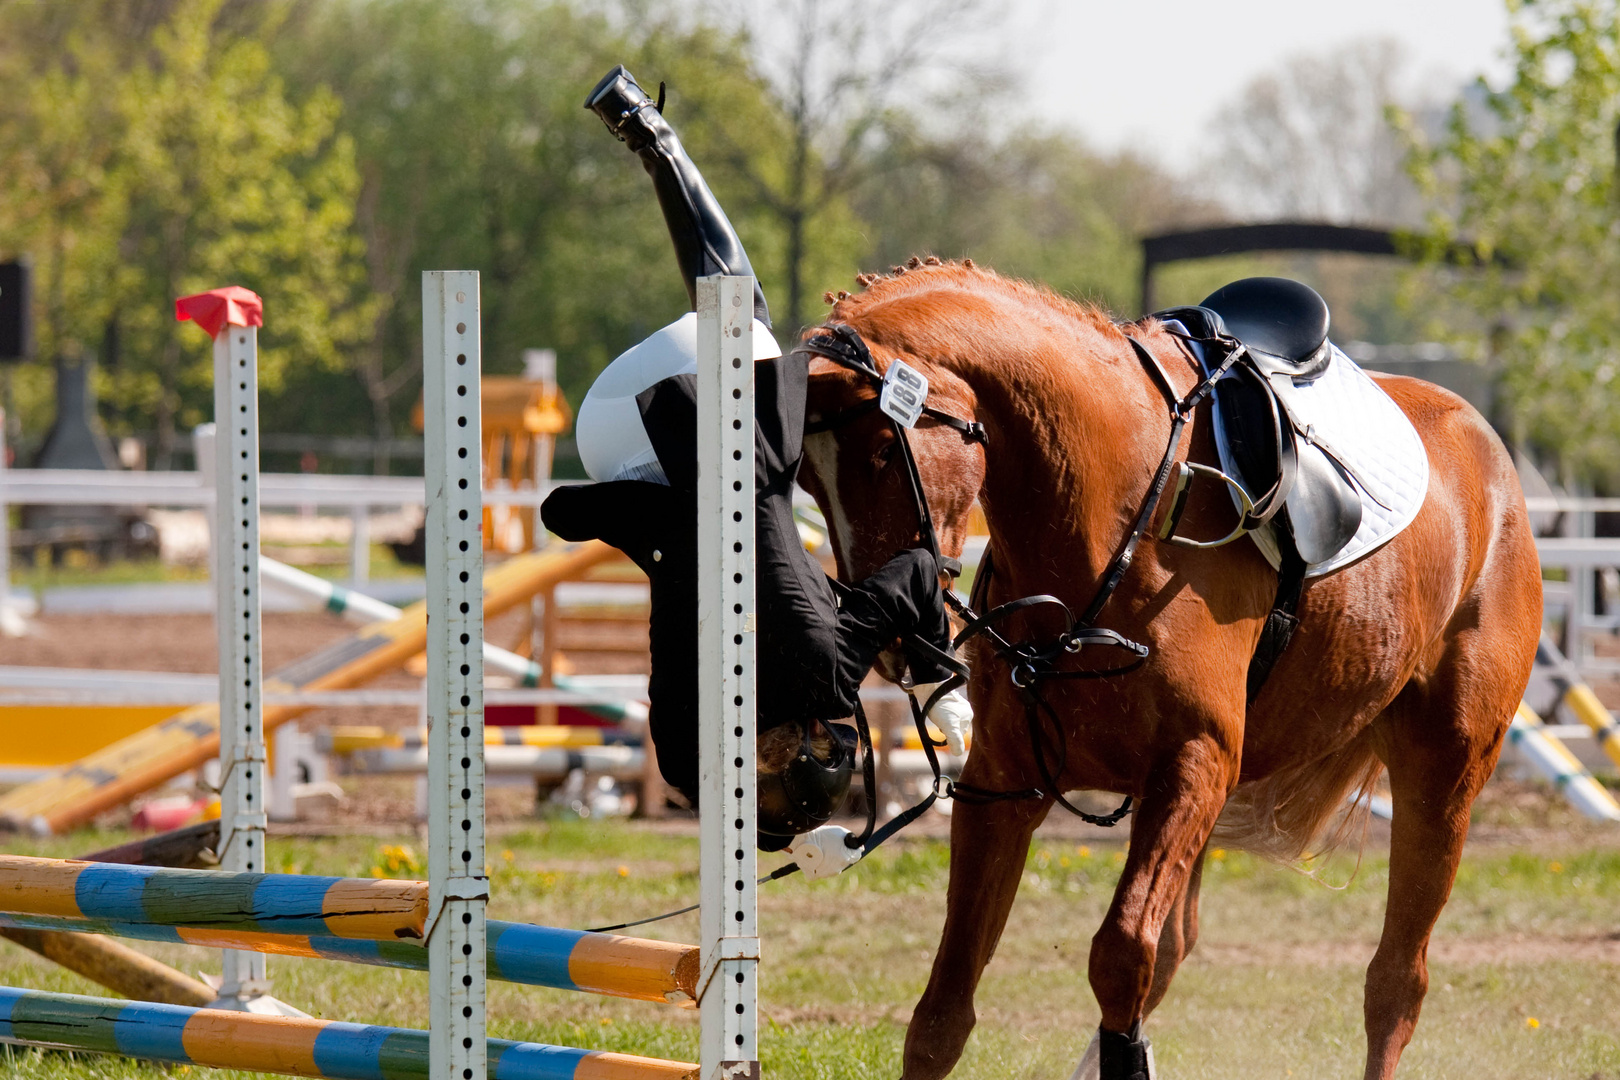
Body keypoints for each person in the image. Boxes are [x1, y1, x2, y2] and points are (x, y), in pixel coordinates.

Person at [542, 65, 971, 853]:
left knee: (747, 310)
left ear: (813, 737)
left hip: (662, 438)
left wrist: (943, 676)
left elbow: (915, 566)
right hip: (616, 450)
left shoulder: (828, 677)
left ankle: (650, 133)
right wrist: (798, 836)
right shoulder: (688, 752)